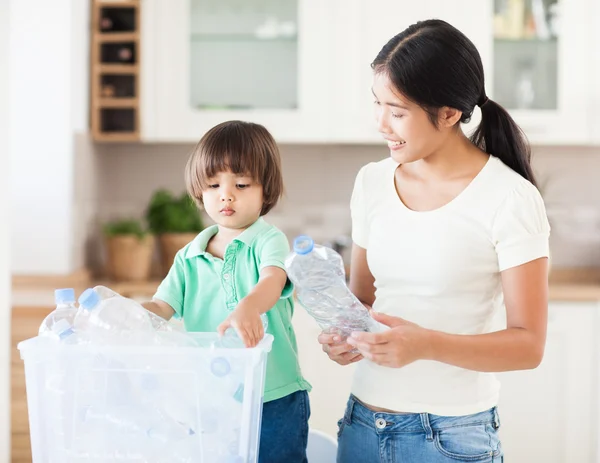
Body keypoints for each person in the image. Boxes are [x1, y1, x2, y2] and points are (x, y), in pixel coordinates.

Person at [318, 19, 550, 463]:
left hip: (451, 437)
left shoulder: (510, 197)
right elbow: (362, 299)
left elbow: (528, 346)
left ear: (448, 114)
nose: (381, 123)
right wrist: (345, 336)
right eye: (377, 104)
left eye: (398, 111)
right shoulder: (371, 182)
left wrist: (425, 344)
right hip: (362, 424)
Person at [143, 120, 312, 463]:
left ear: (267, 190)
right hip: (209, 396)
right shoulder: (189, 256)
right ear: (198, 192)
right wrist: (126, 316)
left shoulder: (268, 240)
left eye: (241, 183)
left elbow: (273, 280)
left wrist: (249, 306)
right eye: (213, 184)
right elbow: (161, 306)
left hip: (273, 393)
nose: (226, 194)